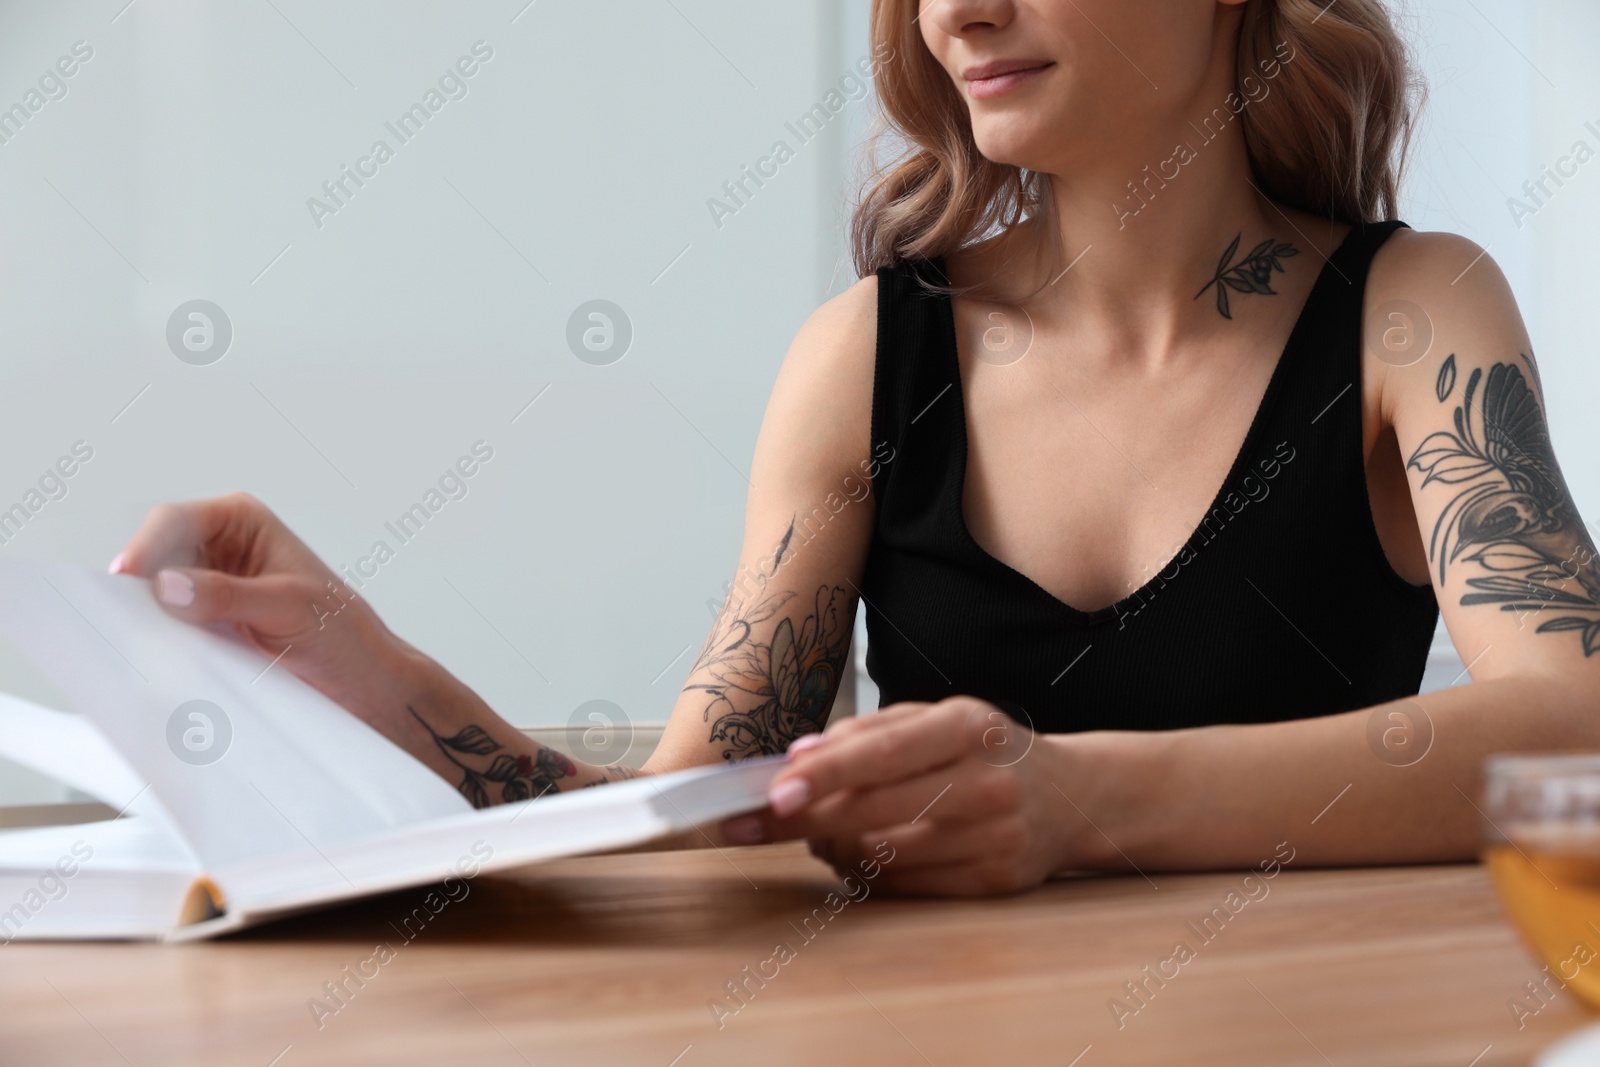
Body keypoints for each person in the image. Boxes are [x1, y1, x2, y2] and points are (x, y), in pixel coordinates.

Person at [109, 0, 1600, 896]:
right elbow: (694, 826)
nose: (958, 8)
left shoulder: (1415, 312)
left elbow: (1579, 731)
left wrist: (1081, 806)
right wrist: (366, 665)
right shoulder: (863, 359)